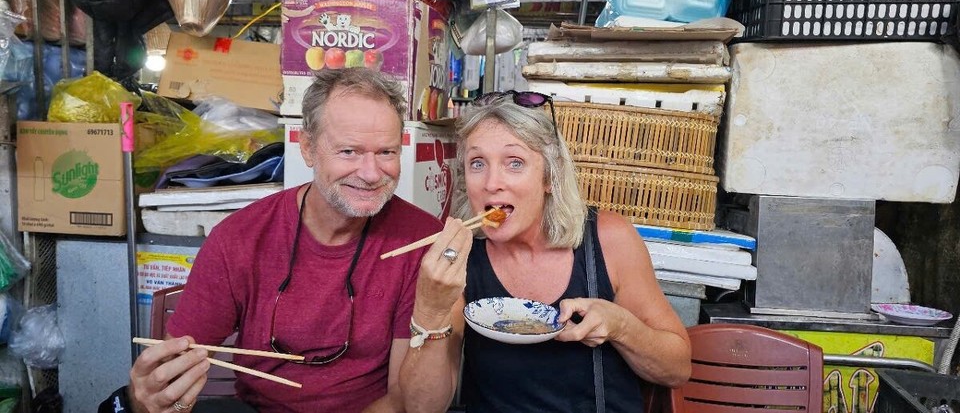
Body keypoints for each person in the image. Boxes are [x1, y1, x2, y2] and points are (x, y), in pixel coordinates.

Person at [107, 68, 474, 413]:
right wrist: (151, 398)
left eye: (386, 152)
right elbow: (173, 375)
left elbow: (415, 405)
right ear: (308, 147)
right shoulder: (240, 238)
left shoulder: (423, 242)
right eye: (349, 151)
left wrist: (433, 310)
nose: (371, 173)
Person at [406, 93, 692, 413]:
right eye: (477, 163)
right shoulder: (460, 258)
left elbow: (677, 369)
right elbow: (422, 407)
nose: (491, 183)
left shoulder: (609, 240)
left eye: (515, 163)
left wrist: (621, 327)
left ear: (549, 177)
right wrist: (429, 312)